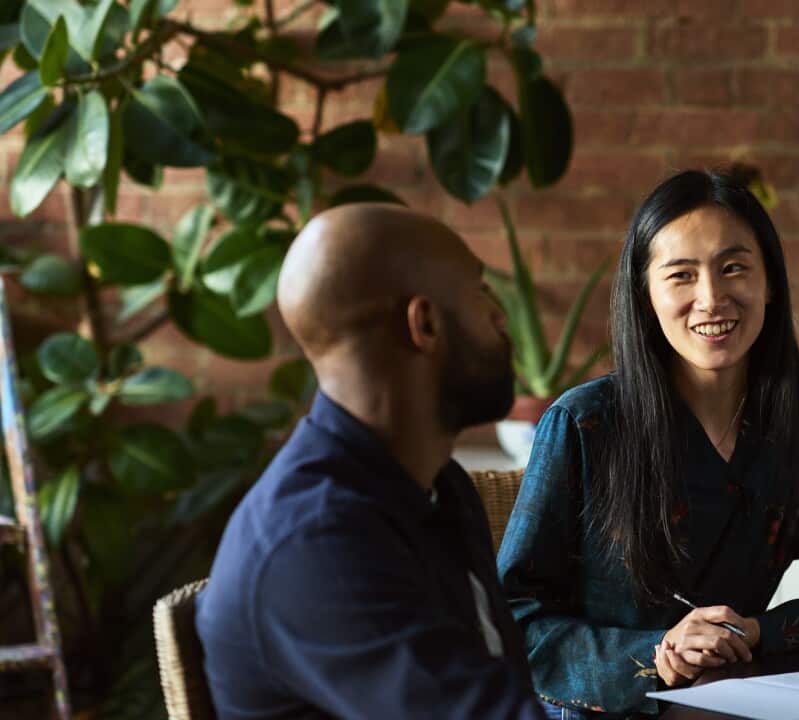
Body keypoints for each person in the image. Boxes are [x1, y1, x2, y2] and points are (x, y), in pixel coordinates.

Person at [497, 170, 799, 718]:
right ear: (645, 296)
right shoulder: (584, 423)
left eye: (733, 268)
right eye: (681, 276)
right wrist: (661, 651)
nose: (712, 299)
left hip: (738, 706)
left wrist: (754, 631)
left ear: (771, 283)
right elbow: (512, 622)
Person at [196, 204, 544, 719]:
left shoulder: (438, 485)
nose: (499, 317)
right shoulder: (315, 543)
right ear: (424, 324)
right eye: (481, 291)